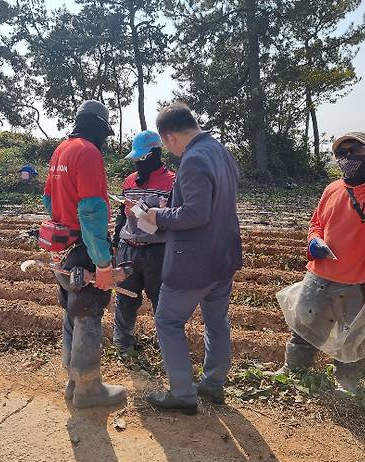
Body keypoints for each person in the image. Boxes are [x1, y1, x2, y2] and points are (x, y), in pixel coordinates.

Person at [272, 132, 365, 393]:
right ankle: (294, 368)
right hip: (319, 275)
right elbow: (317, 223)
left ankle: (347, 383)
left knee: (353, 336)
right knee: (303, 325)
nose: (347, 158)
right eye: (341, 153)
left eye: (354, 150)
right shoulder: (333, 189)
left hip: (357, 283)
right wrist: (314, 240)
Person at [143, 103, 242, 415]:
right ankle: (213, 384)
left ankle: (183, 393)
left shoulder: (194, 159)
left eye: (166, 145)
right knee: (216, 321)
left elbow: (196, 213)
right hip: (222, 257)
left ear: (170, 137)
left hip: (194, 261)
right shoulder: (221, 152)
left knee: (168, 321)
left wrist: (158, 214)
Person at [42, 100, 126, 408]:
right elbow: (91, 211)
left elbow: (49, 200)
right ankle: (89, 388)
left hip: (62, 247)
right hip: (84, 248)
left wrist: (65, 219)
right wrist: (103, 262)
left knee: (71, 309)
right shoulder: (88, 153)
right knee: (89, 311)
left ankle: (72, 382)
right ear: (100, 128)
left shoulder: (61, 149)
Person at [111, 131, 175, 357]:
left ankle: (166, 348)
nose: (138, 163)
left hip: (158, 251)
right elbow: (121, 215)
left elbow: (177, 218)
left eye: (142, 158)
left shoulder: (172, 182)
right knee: (125, 298)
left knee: (162, 302)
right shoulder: (129, 181)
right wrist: (116, 241)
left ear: (155, 154)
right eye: (136, 159)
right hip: (129, 248)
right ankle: (122, 346)